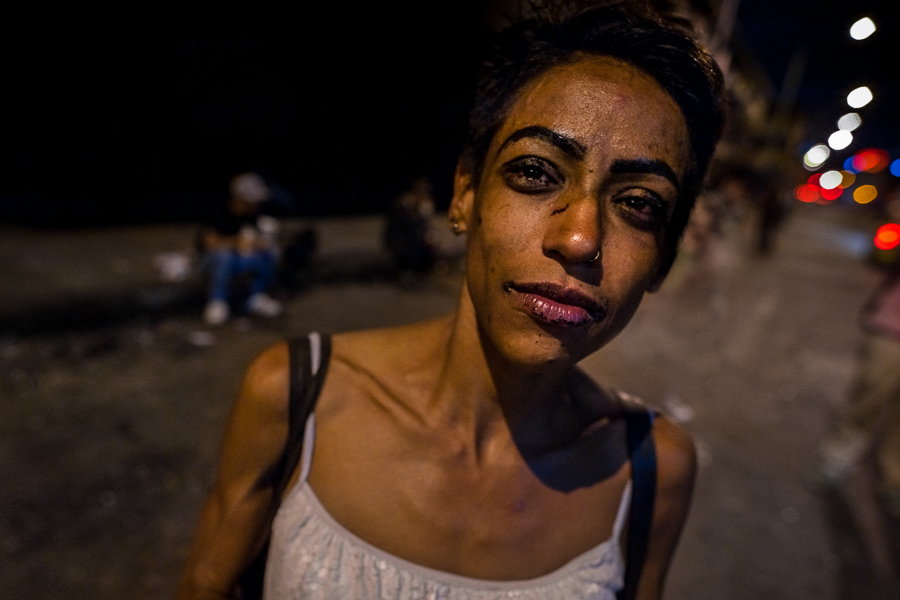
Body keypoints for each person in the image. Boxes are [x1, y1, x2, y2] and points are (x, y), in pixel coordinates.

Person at [177, 2, 725, 598]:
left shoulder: (651, 472)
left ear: (663, 259)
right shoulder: (295, 395)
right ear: (465, 193)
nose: (579, 239)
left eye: (639, 204)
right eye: (537, 172)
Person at [200, 172, 284, 326]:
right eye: (252, 201)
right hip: (209, 262)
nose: (256, 205)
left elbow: (254, 239)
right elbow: (210, 243)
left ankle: (254, 298)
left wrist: (261, 243)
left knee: (269, 253)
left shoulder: (251, 214)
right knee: (224, 256)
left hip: (238, 259)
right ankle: (218, 302)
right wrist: (238, 243)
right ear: (240, 199)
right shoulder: (219, 211)